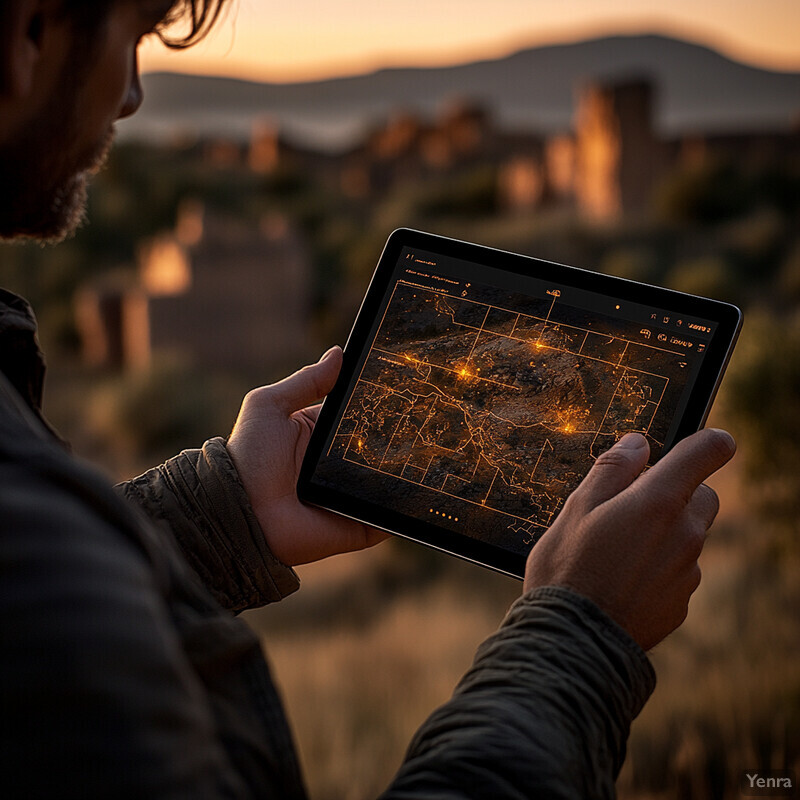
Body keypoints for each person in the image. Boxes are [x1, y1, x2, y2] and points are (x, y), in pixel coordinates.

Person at [0, 1, 736, 797]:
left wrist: (222, 516)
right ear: (26, 33)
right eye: (134, 36)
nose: (135, 94)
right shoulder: (35, 538)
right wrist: (584, 639)